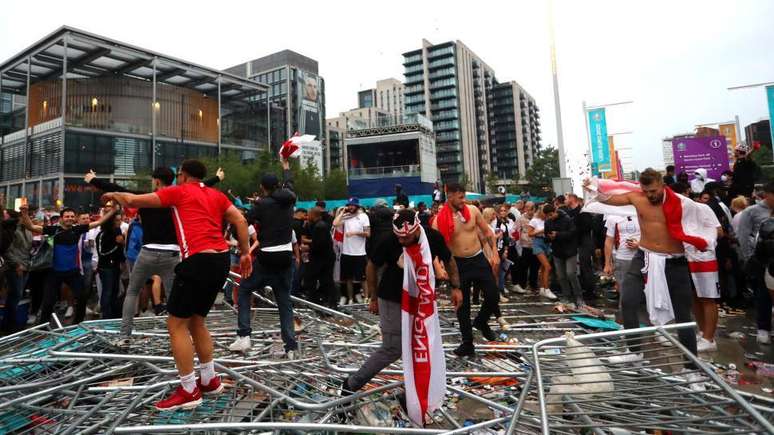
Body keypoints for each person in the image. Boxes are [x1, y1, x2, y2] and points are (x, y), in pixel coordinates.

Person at [102, 159, 251, 411]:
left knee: (175, 324)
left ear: (182, 176)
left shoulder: (178, 191)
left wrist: (113, 193)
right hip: (221, 259)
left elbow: (132, 201)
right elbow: (240, 221)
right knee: (196, 320)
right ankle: (209, 380)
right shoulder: (216, 195)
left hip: (197, 260)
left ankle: (189, 390)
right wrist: (246, 253)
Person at [87, 167, 222, 342]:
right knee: (176, 298)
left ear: (157, 181)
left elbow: (118, 188)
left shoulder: (146, 198)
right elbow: (201, 185)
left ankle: (125, 335)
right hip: (172, 255)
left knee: (132, 292)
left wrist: (93, 180)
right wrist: (216, 178)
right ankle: (180, 337)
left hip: (147, 253)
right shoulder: (180, 197)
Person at [584, 168, 702, 363]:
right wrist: (591, 189)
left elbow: (704, 225)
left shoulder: (682, 203)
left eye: (654, 191)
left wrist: (702, 243)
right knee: (628, 301)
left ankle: (691, 367)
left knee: (683, 314)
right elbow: (607, 200)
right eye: (646, 191)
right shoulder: (637, 198)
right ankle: (634, 351)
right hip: (644, 257)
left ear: (662, 185)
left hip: (673, 261)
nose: (650, 195)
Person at [343, 209, 460, 393]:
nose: (401, 241)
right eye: (399, 237)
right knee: (393, 348)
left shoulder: (432, 237)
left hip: (420, 299)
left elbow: (449, 260)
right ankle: (351, 384)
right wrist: (373, 297)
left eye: (405, 238)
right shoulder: (389, 239)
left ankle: (414, 394)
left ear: (416, 230)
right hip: (392, 297)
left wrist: (456, 287)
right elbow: (371, 266)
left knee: (421, 346)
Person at [232, 158, 298, 356]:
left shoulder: (261, 204)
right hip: (286, 255)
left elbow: (243, 222)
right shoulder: (289, 200)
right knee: (284, 301)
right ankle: (291, 346)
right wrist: (286, 166)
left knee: (244, 290)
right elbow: (290, 183)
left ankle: (244, 336)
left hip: (267, 256)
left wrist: (242, 245)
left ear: (262, 187)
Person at [432, 182, 500, 357]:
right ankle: (467, 342)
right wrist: (439, 267)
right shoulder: (440, 219)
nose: (464, 200)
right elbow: (434, 249)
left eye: (464, 197)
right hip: (457, 264)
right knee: (462, 305)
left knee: (493, 295)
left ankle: (481, 322)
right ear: (450, 196)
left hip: (478, 259)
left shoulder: (473, 211)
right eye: (461, 197)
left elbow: (488, 232)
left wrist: (494, 253)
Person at [19, 205, 117, 325]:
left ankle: (77, 324)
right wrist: (24, 213)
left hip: (73, 272)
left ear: (75, 218)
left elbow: (98, 222)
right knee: (48, 302)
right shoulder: (54, 230)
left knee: (82, 297)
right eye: (67, 216)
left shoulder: (77, 229)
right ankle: (43, 327)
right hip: (55, 272)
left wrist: (112, 210)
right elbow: (31, 226)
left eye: (71, 216)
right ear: (61, 218)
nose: (69, 218)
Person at [736, 181, 774, 344]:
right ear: (767, 194)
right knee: (763, 295)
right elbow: (743, 236)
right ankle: (763, 328)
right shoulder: (752, 212)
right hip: (762, 261)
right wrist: (749, 257)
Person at [333, 197, 370, 305]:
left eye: (352, 205)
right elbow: (335, 224)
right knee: (348, 278)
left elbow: (368, 234)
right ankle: (350, 299)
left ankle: (366, 297)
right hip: (346, 252)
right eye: (349, 205)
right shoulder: (346, 216)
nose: (350, 207)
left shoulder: (363, 216)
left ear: (357, 206)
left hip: (359, 252)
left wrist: (354, 233)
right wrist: (342, 212)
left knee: (362, 278)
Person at [545, 205, 583, 306]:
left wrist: (557, 234)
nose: (550, 217)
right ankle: (566, 296)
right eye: (548, 216)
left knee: (571, 273)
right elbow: (546, 236)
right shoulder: (548, 222)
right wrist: (549, 238)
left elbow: (572, 233)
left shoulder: (567, 219)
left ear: (555, 211)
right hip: (557, 252)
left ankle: (579, 296)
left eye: (551, 215)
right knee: (561, 276)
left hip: (570, 251)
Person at [2, 211, 32, 333]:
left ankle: (11, 323)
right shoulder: (11, 229)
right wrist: (16, 265)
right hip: (14, 267)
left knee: (17, 295)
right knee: (14, 296)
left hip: (26, 265)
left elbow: (27, 247)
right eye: (23, 217)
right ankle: (10, 326)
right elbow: (6, 250)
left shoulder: (28, 229)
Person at [301, 207, 336, 308]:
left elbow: (319, 244)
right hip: (323, 258)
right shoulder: (317, 225)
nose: (307, 216)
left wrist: (307, 247)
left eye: (309, 214)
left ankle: (323, 302)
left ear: (313, 215)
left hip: (322, 259)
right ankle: (321, 301)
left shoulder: (320, 226)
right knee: (322, 280)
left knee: (322, 280)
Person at [96, 209, 125, 319]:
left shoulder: (118, 232)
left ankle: (114, 314)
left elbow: (121, 250)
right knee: (107, 292)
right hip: (106, 267)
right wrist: (117, 244)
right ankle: (106, 316)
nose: (119, 222)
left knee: (115, 291)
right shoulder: (102, 234)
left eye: (120, 220)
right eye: (116, 220)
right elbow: (102, 252)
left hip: (116, 266)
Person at [603, 215, 641, 298]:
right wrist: (607, 264)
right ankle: (624, 309)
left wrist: (640, 245)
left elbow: (651, 235)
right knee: (623, 291)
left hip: (642, 257)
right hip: (622, 259)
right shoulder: (613, 216)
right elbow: (609, 241)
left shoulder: (641, 211)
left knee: (641, 290)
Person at [566, 194, 596, 295]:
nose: (565, 200)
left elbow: (588, 226)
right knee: (578, 267)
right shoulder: (570, 212)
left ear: (572, 199)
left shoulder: (583, 212)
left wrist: (573, 230)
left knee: (585, 266)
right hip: (575, 243)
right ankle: (583, 287)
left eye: (567, 198)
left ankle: (590, 290)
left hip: (584, 243)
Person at [527, 204, 557, 300]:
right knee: (547, 266)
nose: (547, 215)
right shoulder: (534, 220)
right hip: (538, 243)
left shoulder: (548, 220)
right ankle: (547, 289)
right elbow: (530, 234)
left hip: (547, 243)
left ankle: (542, 288)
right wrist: (541, 231)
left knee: (544, 267)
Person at [513, 202, 538, 294]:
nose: (528, 210)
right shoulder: (521, 218)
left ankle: (533, 285)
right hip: (525, 246)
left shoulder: (537, 217)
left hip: (535, 245)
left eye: (531, 208)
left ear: (534, 209)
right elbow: (515, 229)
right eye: (527, 207)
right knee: (524, 266)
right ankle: (522, 284)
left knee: (535, 267)